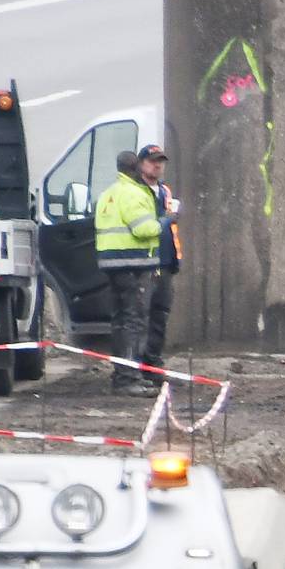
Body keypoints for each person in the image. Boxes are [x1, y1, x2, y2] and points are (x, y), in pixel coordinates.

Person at [92, 150, 170, 393]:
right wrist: (166, 221)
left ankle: (124, 374)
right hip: (133, 265)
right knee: (134, 321)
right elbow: (143, 229)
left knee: (121, 321)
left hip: (112, 265)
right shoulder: (133, 193)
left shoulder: (108, 193)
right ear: (135, 167)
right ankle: (128, 378)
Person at [137, 144, 181, 374]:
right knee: (141, 316)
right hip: (144, 262)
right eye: (152, 160)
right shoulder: (136, 191)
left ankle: (152, 362)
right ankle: (138, 364)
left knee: (159, 315)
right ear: (141, 163)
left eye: (160, 161)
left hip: (165, 263)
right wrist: (167, 220)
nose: (157, 165)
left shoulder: (164, 191)